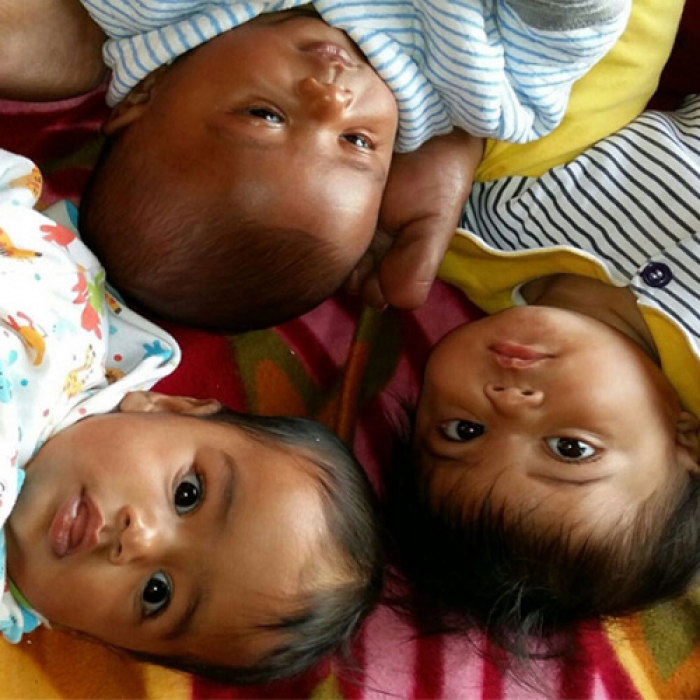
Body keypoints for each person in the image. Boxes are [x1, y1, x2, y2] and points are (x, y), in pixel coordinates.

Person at [6, 0, 629, 332]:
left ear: (144, 96)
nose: (332, 100)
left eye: (264, 116)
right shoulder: (468, 89)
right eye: (357, 142)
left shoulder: (149, 9)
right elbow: (570, 33)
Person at [0, 148, 384, 684]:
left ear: (88, 634)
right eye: (187, 493)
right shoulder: (70, 324)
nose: (138, 539)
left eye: (156, 594)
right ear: (168, 406)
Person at [387, 94, 700, 657]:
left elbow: (566, 78)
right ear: (688, 441)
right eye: (570, 449)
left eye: (462, 431)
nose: (505, 401)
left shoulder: (474, 224)